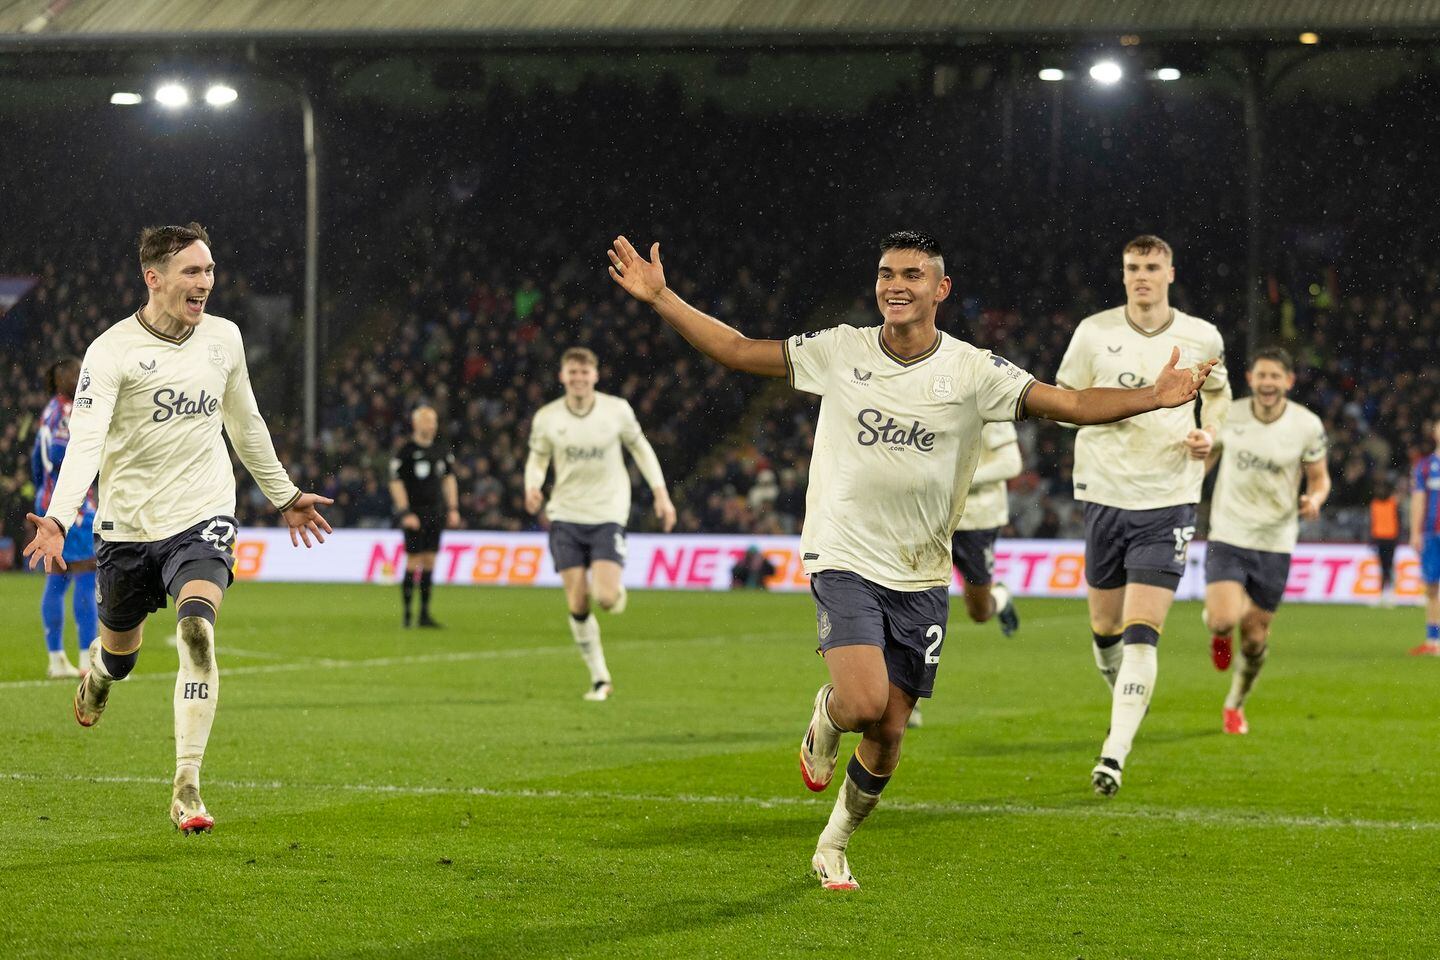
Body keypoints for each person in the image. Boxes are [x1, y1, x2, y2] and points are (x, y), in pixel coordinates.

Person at [606, 230, 1215, 890]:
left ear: (940, 289)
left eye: (912, 275)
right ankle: (829, 714)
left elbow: (1068, 403)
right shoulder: (840, 349)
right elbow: (735, 350)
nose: (895, 284)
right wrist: (663, 297)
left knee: (891, 733)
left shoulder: (975, 371)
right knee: (865, 701)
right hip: (843, 552)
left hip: (922, 570)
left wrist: (1152, 397)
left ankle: (833, 844)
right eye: (885, 273)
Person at [23, 222, 332, 835]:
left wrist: (285, 494)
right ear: (154, 278)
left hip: (203, 515)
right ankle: (98, 677)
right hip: (127, 528)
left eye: (210, 270)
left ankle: (186, 785)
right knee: (121, 659)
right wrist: (59, 517)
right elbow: (84, 444)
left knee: (196, 630)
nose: (206, 283)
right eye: (193, 272)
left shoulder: (224, 339)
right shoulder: (111, 352)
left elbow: (245, 424)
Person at [1055, 234, 1230, 797]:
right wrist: (1117, 408)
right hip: (1104, 494)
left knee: (1140, 635)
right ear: (1123, 272)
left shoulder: (1201, 336)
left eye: (1152, 267)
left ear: (1171, 273)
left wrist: (1212, 435)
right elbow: (1062, 404)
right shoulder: (1093, 333)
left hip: (1170, 497)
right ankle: (1125, 701)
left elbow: (1220, 396)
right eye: (1133, 267)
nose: (1142, 276)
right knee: (1104, 628)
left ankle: (1114, 752)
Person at [524, 346, 677, 701]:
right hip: (565, 514)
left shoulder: (617, 410)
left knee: (605, 598)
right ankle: (599, 678)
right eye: (572, 372)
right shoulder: (547, 417)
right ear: (563, 376)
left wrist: (661, 494)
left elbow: (641, 450)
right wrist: (532, 486)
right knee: (578, 603)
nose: (578, 378)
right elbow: (537, 457)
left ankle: (614, 589)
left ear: (595, 375)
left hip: (608, 512)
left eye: (585, 372)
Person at [1202, 347, 1329, 735]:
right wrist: (1185, 488)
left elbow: (1319, 477)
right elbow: (1206, 458)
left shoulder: (1307, 426)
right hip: (1229, 531)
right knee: (1224, 619)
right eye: (1262, 375)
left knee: (1255, 638)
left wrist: (1315, 500)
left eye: (1276, 376)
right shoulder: (1231, 415)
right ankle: (1219, 633)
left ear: (1288, 382)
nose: (1268, 383)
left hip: (1276, 539)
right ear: (1251, 379)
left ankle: (1235, 704)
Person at [30, 357, 99, 679]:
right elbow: (60, 452)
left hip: (50, 503)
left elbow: (36, 460)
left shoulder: (49, 410)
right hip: (72, 509)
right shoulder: (69, 410)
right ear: (62, 379)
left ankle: (56, 658)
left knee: (57, 580)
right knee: (86, 574)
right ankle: (87, 659)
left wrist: (42, 492)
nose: (82, 376)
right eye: (77, 372)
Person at [388, 405, 460, 627]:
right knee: (413, 560)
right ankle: (407, 615)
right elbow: (395, 482)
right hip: (415, 514)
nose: (432, 425)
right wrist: (405, 512)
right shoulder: (406, 451)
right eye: (428, 420)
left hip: (435, 513)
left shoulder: (441, 450)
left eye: (434, 421)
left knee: (429, 560)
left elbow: (449, 479)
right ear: (416, 423)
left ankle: (424, 614)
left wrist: (453, 508)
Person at [1410, 420, 1440, 656]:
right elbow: (1418, 500)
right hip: (1432, 534)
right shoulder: (1425, 466)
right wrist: (1415, 533)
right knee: (1431, 588)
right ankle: (1433, 641)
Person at [1370, 477, 1401, 608]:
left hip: (1390, 538)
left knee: (1389, 566)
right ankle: (1383, 594)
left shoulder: (1393, 503)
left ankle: (1391, 594)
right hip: (1380, 538)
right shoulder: (1375, 504)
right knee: (1383, 567)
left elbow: (1398, 521)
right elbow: (1372, 522)